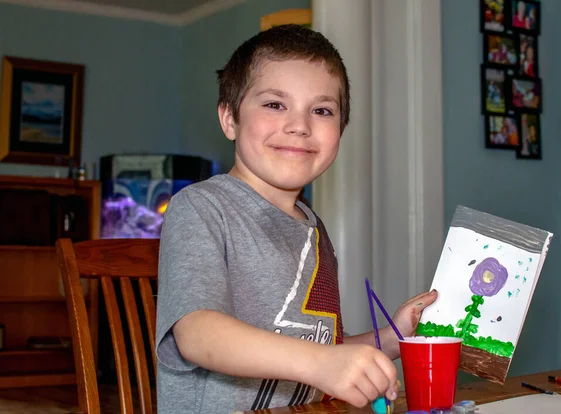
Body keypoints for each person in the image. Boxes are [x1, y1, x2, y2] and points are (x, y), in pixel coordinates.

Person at [155, 24, 438, 414]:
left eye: (321, 110)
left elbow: (323, 353)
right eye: (275, 104)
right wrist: (321, 363)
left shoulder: (314, 230)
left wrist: (391, 339)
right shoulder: (201, 207)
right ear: (229, 119)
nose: (300, 125)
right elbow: (197, 333)